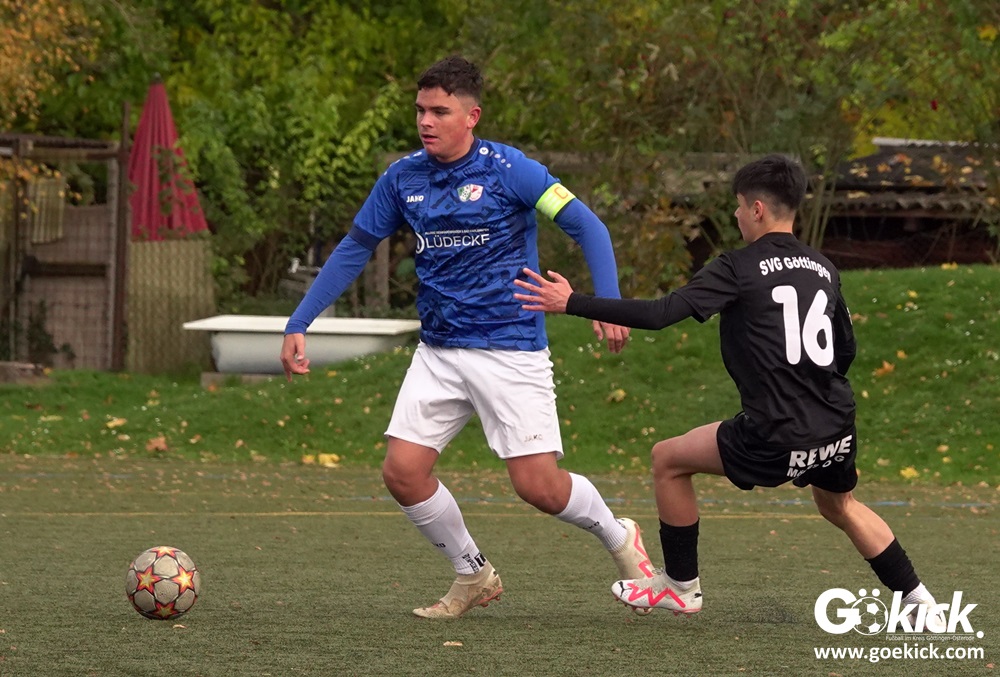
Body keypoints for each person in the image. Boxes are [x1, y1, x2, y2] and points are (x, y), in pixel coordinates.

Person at [280, 55, 653, 619]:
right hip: (439, 352)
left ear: (471, 116)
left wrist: (609, 304)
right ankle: (473, 574)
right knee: (402, 472)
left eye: (439, 111)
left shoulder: (512, 170)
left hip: (510, 348)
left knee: (539, 488)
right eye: (420, 111)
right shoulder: (402, 178)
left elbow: (588, 226)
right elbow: (356, 247)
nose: (425, 122)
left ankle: (619, 535)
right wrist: (299, 321)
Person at [513, 153, 946, 629]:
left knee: (668, 460)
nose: (737, 215)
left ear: (757, 209)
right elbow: (846, 351)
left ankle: (681, 587)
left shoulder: (738, 267)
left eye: (739, 206)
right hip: (835, 424)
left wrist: (573, 302)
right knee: (840, 505)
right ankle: (919, 601)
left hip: (776, 431)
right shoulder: (823, 268)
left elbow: (661, 314)